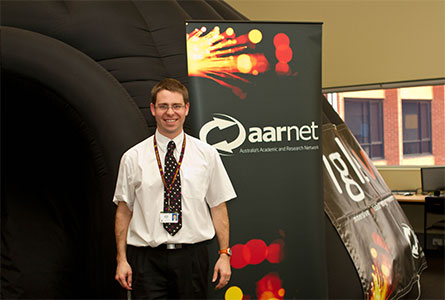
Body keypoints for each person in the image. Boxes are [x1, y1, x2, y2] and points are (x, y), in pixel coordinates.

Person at [113, 78, 236, 299]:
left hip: (192, 258)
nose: (170, 112)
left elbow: (218, 206)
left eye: (176, 106)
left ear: (187, 109)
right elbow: (124, 211)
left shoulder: (207, 155)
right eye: (163, 106)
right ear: (153, 109)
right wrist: (121, 260)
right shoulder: (133, 157)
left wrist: (224, 254)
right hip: (146, 261)